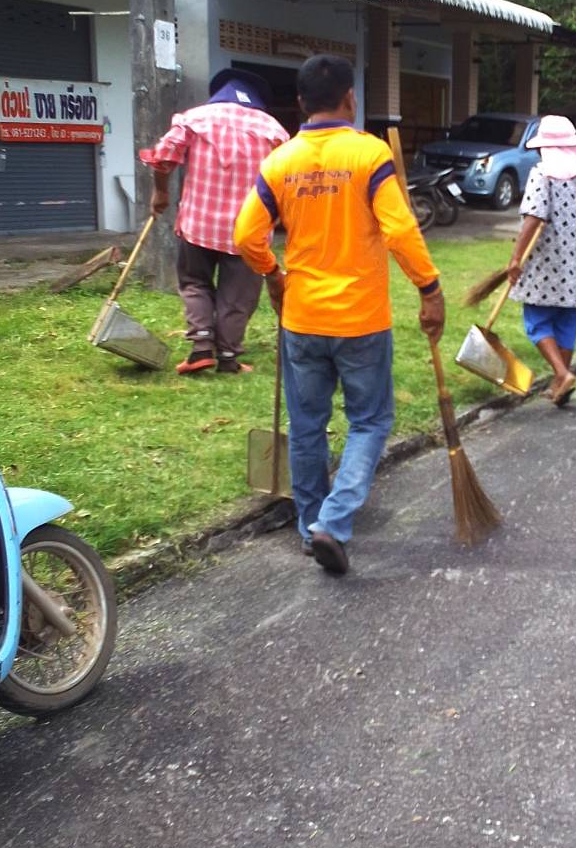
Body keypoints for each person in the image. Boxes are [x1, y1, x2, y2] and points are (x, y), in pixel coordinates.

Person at [233, 54, 444, 576]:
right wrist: (429, 288)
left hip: (302, 319)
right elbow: (398, 230)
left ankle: (311, 529)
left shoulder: (280, 161)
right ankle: (335, 519)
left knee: (307, 428)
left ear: (301, 103)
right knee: (370, 420)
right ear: (350, 98)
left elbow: (244, 236)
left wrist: (272, 275)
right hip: (361, 321)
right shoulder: (368, 155)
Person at [140, 68, 290, 375]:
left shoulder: (193, 118)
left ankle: (201, 349)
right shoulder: (273, 129)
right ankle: (227, 357)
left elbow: (163, 156)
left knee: (195, 284)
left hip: (198, 224)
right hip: (247, 231)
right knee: (239, 296)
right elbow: (286, 176)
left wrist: (160, 193)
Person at [506, 114, 576, 407]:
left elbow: (533, 218)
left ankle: (561, 374)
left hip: (544, 267)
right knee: (567, 325)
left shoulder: (542, 175)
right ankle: (561, 383)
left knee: (537, 323)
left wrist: (516, 259)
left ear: (545, 148)